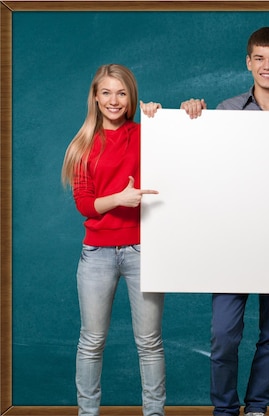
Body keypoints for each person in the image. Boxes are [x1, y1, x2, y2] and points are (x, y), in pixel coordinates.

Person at [180, 27, 269, 416]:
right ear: (248, 62)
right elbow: (200, 164)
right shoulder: (223, 112)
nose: (267, 66)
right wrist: (190, 118)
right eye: (259, 58)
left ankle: (259, 407)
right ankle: (225, 410)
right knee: (223, 336)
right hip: (234, 242)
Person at [61, 64, 165, 416]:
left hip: (142, 251)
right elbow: (85, 205)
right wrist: (119, 199)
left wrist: (157, 117)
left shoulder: (145, 133)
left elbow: (180, 153)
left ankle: (154, 413)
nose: (113, 100)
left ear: (131, 97)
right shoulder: (83, 144)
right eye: (106, 92)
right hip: (97, 254)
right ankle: (87, 413)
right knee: (91, 342)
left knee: (149, 343)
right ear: (95, 96)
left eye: (121, 93)